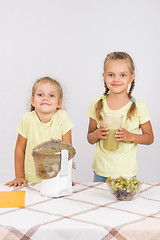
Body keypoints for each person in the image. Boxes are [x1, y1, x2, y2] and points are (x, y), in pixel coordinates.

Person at [87, 52, 154, 182]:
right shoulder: (96, 104)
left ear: (131, 77)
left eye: (122, 75)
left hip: (126, 174)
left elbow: (150, 138)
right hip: (101, 172)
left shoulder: (139, 105)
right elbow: (89, 138)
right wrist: (97, 134)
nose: (116, 79)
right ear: (104, 77)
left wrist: (130, 136)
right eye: (111, 75)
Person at [6, 76, 74, 187]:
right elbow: (19, 149)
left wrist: (66, 177)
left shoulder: (63, 117)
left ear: (59, 103)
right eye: (40, 95)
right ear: (33, 101)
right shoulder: (27, 119)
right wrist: (19, 176)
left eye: (51, 95)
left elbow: (68, 151)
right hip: (31, 179)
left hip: (56, 178)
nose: (45, 98)